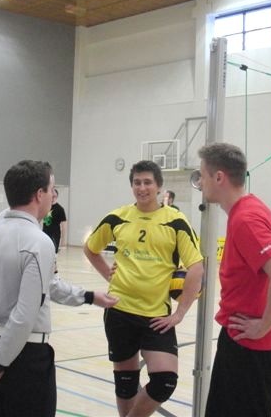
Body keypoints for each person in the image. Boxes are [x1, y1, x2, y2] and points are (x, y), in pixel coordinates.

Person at [0, 160, 118, 417]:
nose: (53, 196)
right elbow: (24, 316)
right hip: (25, 357)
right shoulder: (39, 242)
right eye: (51, 189)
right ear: (39, 194)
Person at [84, 160, 204, 417]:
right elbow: (91, 248)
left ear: (159, 186)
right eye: (137, 182)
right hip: (119, 310)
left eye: (147, 182)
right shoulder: (118, 217)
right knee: (126, 383)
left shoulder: (175, 221)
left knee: (165, 381)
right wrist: (108, 275)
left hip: (156, 316)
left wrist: (180, 313)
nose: (142, 187)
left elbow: (196, 267)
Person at [197, 143, 271, 417]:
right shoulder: (253, 207)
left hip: (250, 346)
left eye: (202, 176)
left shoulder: (246, 219)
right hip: (244, 341)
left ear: (219, 177)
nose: (201, 183)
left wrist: (263, 325)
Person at [42, 188, 67, 253]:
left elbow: (64, 226)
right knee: (44, 252)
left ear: (57, 197)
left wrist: (63, 241)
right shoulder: (46, 207)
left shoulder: (60, 209)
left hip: (54, 236)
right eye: (51, 196)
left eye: (54, 196)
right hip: (45, 235)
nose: (53, 198)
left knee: (53, 254)